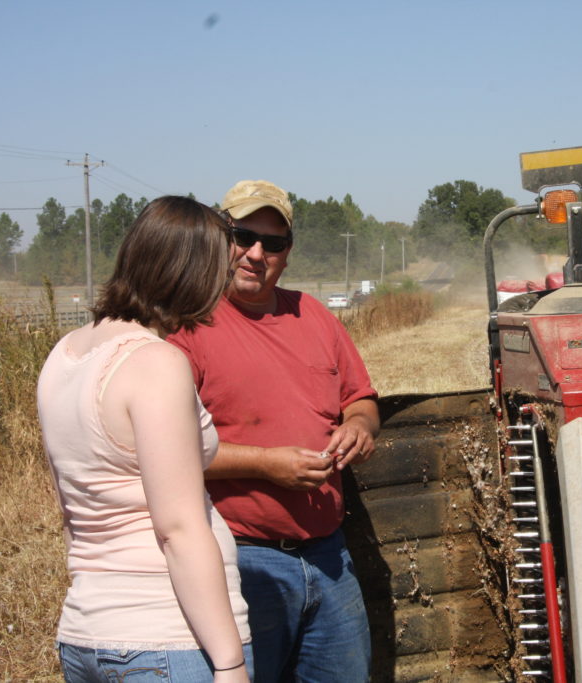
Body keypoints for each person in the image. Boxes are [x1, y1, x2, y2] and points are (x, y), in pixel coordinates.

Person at [168, 180, 379, 682]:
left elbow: (362, 399)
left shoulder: (316, 315)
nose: (256, 253)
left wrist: (360, 426)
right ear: (220, 237)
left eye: (274, 243)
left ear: (288, 252)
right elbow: (169, 453)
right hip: (242, 562)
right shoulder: (187, 328)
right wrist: (266, 464)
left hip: (331, 557)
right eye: (243, 236)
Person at [38, 196, 252, 682]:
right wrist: (229, 662)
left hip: (86, 631)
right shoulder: (156, 363)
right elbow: (177, 527)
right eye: (220, 268)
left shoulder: (64, 355)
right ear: (191, 272)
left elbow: (71, 509)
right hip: (169, 639)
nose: (223, 284)